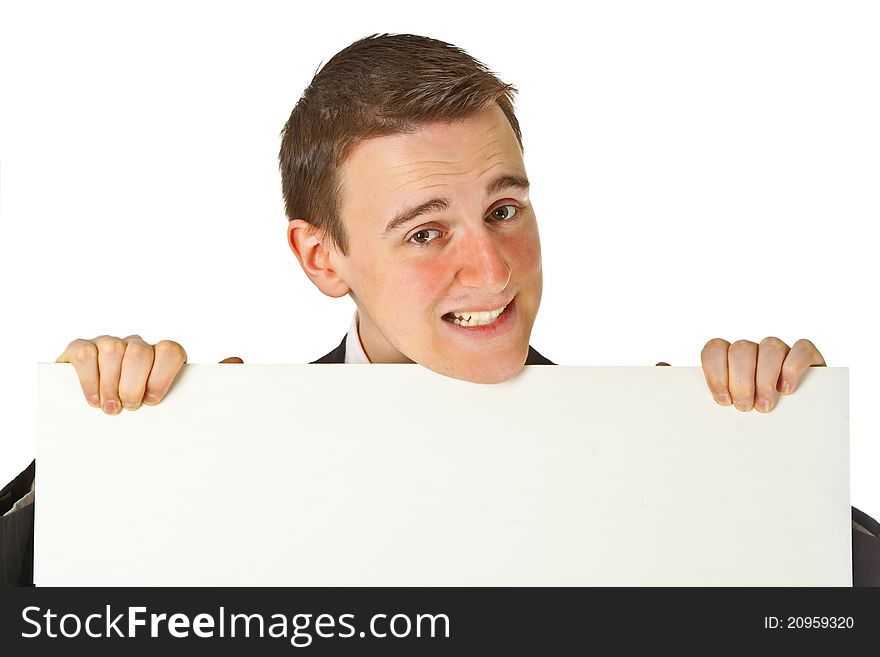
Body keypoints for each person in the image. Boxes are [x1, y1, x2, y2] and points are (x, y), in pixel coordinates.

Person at [2, 33, 877, 586]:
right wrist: (100, 461)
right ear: (323, 257)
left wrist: (764, 461)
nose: (491, 268)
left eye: (505, 210)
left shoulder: (672, 443)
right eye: (426, 234)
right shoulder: (212, 451)